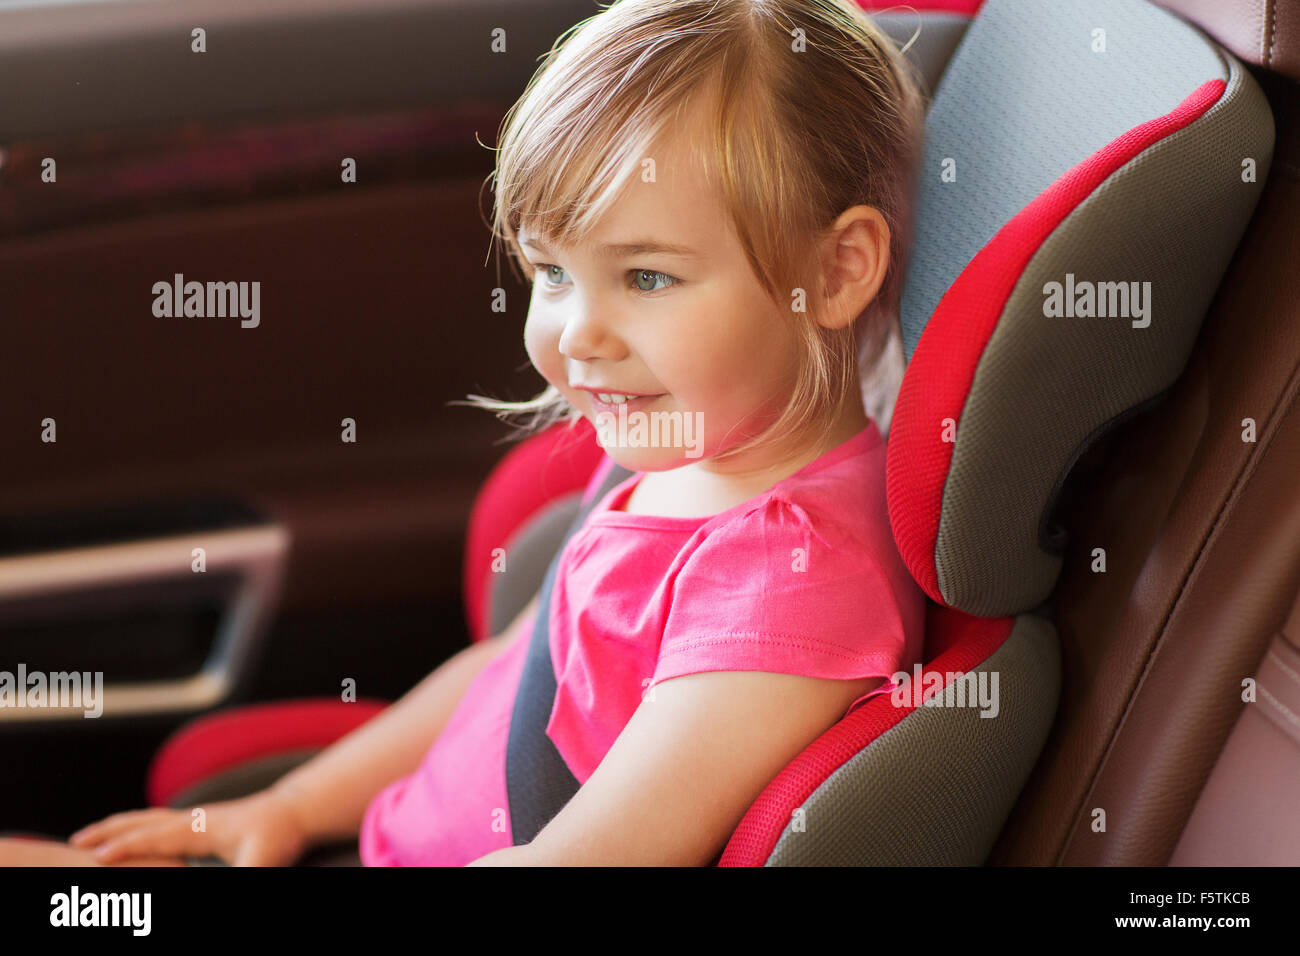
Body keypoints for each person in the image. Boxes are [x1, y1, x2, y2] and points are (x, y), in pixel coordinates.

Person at [0, 0, 927, 867]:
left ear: (838, 271)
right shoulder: (686, 459)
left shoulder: (793, 579)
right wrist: (290, 805)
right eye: (551, 272)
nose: (575, 335)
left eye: (647, 278)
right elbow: (510, 667)